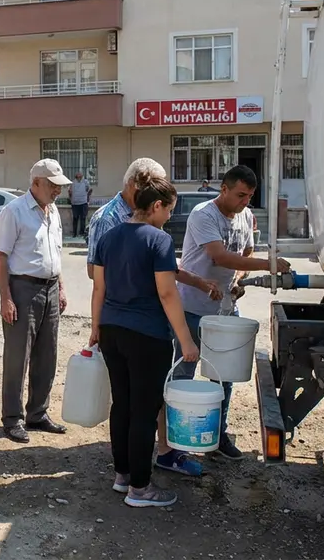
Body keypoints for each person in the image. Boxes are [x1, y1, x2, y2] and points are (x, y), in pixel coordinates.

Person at [85, 158, 222, 477]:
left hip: (112, 330)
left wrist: (96, 328)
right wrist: (186, 340)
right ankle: (139, 487)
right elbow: (167, 293)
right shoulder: (158, 240)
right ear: (156, 205)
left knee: (122, 407)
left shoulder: (110, 236)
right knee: (145, 411)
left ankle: (122, 477)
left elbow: (98, 288)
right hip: (147, 335)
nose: (171, 217)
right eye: (170, 210)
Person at [177, 165, 291, 460]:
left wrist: (239, 282)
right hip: (191, 308)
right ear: (224, 189)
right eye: (240, 195)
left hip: (226, 311)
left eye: (250, 196)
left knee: (224, 376)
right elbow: (219, 255)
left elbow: (244, 256)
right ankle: (178, 439)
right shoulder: (204, 215)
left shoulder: (246, 216)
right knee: (183, 375)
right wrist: (270, 264)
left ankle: (216, 436)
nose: (245, 202)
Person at [0, 158, 70, 443]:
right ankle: (12, 418)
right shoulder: (14, 211)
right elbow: (1, 257)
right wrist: (6, 298)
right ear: (36, 182)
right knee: (18, 357)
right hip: (23, 288)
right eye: (53, 185)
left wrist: (61, 288)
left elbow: (56, 255)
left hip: (50, 288)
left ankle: (37, 412)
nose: (57, 191)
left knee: (47, 355)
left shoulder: (53, 212)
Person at [68, 172, 91, 238]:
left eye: (80, 176)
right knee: (75, 218)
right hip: (75, 203)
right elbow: (69, 192)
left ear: (82, 176)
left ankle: (82, 233)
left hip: (83, 203)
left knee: (83, 218)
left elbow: (89, 190)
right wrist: (71, 199)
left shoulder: (85, 182)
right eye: (77, 177)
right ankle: (74, 233)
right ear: (76, 177)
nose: (79, 178)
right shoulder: (73, 183)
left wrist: (88, 200)